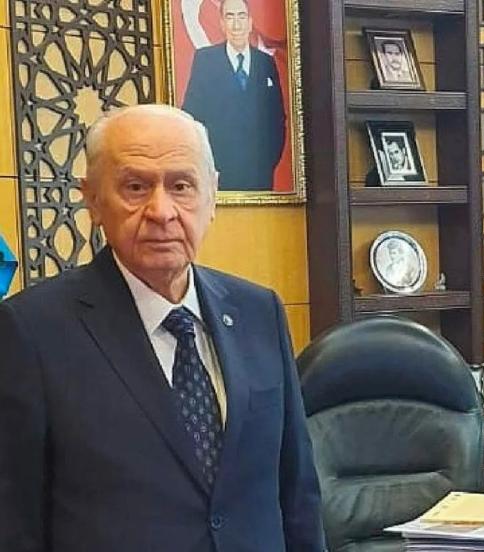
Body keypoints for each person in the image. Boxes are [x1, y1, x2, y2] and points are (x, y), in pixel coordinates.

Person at [0, 104, 323, 551]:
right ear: (92, 200)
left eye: (181, 186)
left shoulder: (259, 311)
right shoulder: (31, 331)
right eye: (135, 187)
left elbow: (298, 492)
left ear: (212, 195)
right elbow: (14, 521)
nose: (161, 211)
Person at [182, 0, 285, 191]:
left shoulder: (265, 63)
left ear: (250, 22)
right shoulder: (206, 60)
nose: (236, 25)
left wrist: (266, 164)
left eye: (241, 16)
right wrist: (208, 165)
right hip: (218, 175)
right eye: (230, 17)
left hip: (259, 175)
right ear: (222, 23)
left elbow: (277, 120)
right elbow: (192, 116)